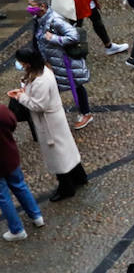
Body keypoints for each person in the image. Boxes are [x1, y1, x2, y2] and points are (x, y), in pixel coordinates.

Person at [9, 46, 87, 201]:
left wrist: (20, 97)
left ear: (28, 63)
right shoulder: (44, 71)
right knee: (66, 149)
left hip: (48, 122)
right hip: (54, 118)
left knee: (58, 155)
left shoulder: (40, 80)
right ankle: (79, 177)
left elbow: (39, 106)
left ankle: (66, 188)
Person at [27, 0, 93, 129]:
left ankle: (85, 113)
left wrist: (54, 38)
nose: (29, 8)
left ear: (42, 6)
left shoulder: (55, 20)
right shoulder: (38, 19)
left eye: (31, 5)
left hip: (63, 62)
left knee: (76, 85)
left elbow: (73, 36)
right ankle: (53, 116)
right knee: (51, 87)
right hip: (49, 61)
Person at [0, 104, 45, 242]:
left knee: (3, 196)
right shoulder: (1, 110)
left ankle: (17, 229)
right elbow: (13, 122)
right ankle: (36, 216)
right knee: (20, 185)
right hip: (10, 156)